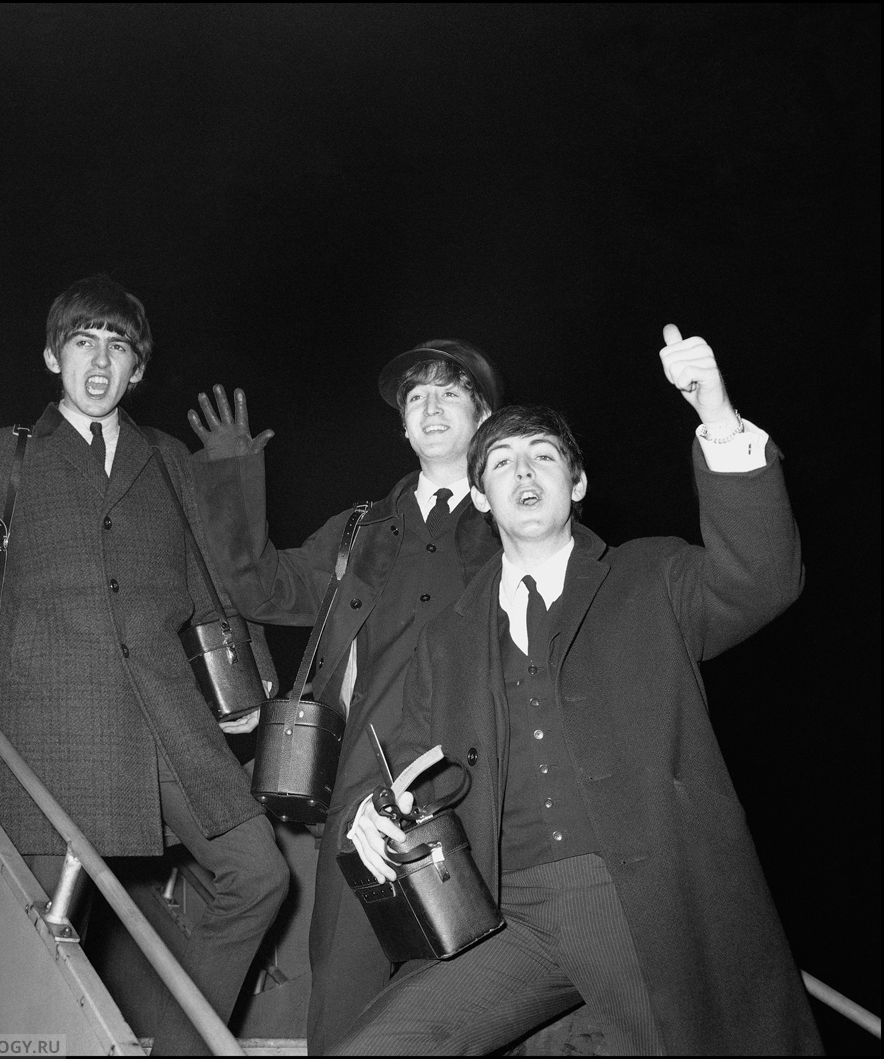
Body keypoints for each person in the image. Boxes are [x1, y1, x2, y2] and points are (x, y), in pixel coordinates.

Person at [340, 325, 823, 1055]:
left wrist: (716, 420)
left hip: (644, 901)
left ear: (578, 481)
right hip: (509, 912)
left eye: (543, 455)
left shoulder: (651, 577)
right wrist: (375, 808)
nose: (523, 472)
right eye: (500, 461)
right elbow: (408, 756)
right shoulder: (448, 636)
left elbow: (762, 577)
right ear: (479, 493)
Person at [0, 275, 289, 1055]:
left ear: (137, 369)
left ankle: (180, 1046)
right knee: (40, 928)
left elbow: (212, 581)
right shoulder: (8, 451)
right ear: (51, 355)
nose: (100, 363)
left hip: (167, 716)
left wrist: (253, 679)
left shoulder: (168, 458)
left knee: (259, 872)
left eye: (118, 346)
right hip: (57, 720)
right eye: (82, 342)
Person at [187, 340, 505, 1051]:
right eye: (415, 396)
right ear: (400, 423)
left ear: (483, 416)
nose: (428, 406)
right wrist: (233, 475)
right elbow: (258, 585)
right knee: (344, 998)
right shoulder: (360, 528)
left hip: (479, 791)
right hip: (359, 801)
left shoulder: (512, 524)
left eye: (449, 392)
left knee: (472, 1004)